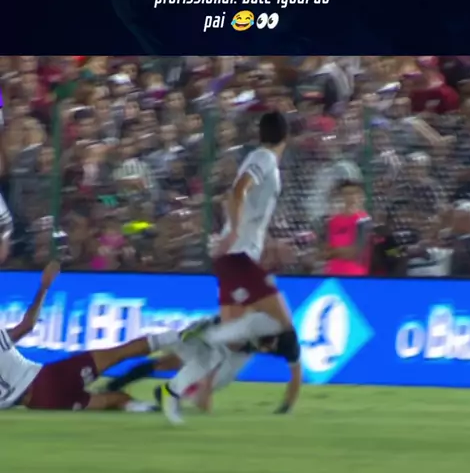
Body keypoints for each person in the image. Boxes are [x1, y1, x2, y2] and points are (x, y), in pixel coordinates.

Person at [162, 110, 302, 422]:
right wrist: (235, 231)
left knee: (235, 339)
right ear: (287, 136)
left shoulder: (262, 158)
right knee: (282, 325)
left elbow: (242, 200)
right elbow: (238, 190)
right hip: (237, 256)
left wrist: (260, 242)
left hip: (236, 258)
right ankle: (203, 335)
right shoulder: (265, 158)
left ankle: (194, 387)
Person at [0, 261, 172, 412]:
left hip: (40, 403)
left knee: (116, 399)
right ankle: (174, 337)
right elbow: (27, 326)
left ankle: (148, 410)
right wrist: (44, 287)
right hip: (48, 380)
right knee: (120, 353)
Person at [106, 320, 303, 422]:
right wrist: (205, 398)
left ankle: (171, 393)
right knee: (170, 362)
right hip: (214, 333)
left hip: (240, 349)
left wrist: (286, 407)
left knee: (221, 379)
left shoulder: (289, 345)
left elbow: (296, 375)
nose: (265, 351)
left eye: (267, 348)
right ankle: (117, 383)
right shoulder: (245, 328)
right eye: (263, 345)